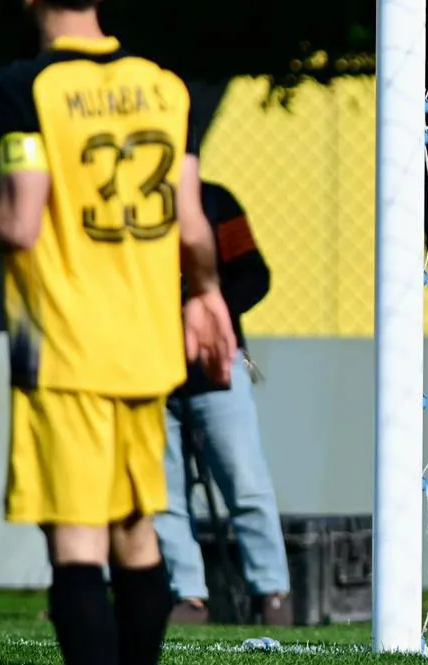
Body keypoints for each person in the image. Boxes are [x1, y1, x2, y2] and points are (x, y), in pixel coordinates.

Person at [0, 1, 236, 664]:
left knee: (77, 546)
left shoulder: (26, 87)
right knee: (135, 534)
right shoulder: (164, 87)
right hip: (144, 345)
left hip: (61, 345)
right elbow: (194, 224)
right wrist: (205, 293)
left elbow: (19, 222)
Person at [155, 181, 292, 626]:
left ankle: (272, 593)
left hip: (217, 367)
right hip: (149, 369)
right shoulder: (126, 204)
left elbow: (255, 275)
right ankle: (188, 597)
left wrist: (202, 310)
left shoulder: (215, 202)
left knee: (245, 484)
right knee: (163, 494)